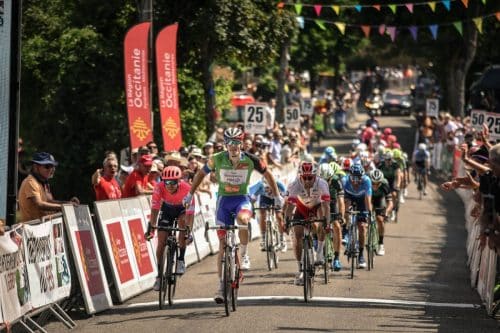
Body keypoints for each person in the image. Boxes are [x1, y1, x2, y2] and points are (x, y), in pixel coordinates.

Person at [183, 127, 283, 303]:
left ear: (242, 143)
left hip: (241, 200)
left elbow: (269, 175)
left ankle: (243, 255)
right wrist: (190, 193)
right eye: (230, 142)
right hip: (223, 202)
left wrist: (277, 196)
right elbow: (200, 173)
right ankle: (221, 286)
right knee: (223, 244)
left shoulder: (252, 160)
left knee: (243, 220)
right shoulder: (217, 159)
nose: (233, 146)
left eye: (237, 142)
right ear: (225, 144)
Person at [146, 166, 195, 291]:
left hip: (182, 210)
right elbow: (155, 209)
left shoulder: (187, 189)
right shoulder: (159, 187)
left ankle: (180, 259)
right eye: (166, 182)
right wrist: (151, 228)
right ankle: (159, 275)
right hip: (167, 209)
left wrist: (189, 231)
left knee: (183, 225)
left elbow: (190, 214)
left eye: (173, 182)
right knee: (161, 242)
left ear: (179, 181)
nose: (169, 185)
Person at [284, 161, 331, 285]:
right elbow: (289, 208)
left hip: (317, 208)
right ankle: (300, 268)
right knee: (297, 235)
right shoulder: (294, 185)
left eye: (310, 178)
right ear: (300, 176)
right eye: (304, 178)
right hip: (301, 209)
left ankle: (320, 252)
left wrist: (327, 223)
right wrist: (287, 222)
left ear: (315, 177)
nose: (307, 181)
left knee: (320, 224)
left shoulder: (322, 184)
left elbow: (326, 207)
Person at [18, 152, 79, 222]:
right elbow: (39, 204)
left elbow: (49, 201)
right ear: (35, 167)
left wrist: (68, 203)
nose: (52, 169)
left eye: (53, 166)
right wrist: (65, 207)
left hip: (42, 227)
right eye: (47, 166)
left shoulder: (42, 182)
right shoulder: (31, 182)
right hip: (32, 228)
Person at [342, 163, 373, 268]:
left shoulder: (367, 181)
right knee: (346, 206)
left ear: (362, 176)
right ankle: (346, 231)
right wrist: (343, 214)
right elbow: (341, 200)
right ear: (349, 175)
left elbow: (368, 199)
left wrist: (369, 213)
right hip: (349, 197)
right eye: (353, 177)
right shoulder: (345, 181)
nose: (356, 181)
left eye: (359, 178)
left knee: (362, 228)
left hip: (361, 200)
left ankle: (361, 255)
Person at [318, 162, 345, 271]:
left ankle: (337, 258)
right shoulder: (315, 181)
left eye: (328, 179)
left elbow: (341, 201)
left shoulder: (336, 180)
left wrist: (341, 216)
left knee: (337, 227)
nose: (326, 182)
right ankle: (318, 248)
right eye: (323, 180)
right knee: (319, 225)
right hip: (320, 203)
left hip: (332, 202)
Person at [249, 177, 287, 252]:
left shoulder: (278, 183)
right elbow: (252, 200)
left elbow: (286, 196)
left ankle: (282, 240)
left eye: (270, 188)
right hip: (265, 198)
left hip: (277, 197)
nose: (268, 190)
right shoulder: (259, 185)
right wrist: (252, 211)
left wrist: (283, 210)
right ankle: (263, 239)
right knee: (262, 214)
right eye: (266, 189)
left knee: (279, 217)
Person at [369, 169, 393, 256]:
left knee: (380, 219)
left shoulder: (384, 185)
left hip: (380, 200)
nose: (375, 185)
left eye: (377, 183)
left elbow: (390, 202)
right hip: (369, 199)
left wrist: (386, 212)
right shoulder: (366, 184)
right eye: (373, 183)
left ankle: (381, 244)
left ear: (381, 181)